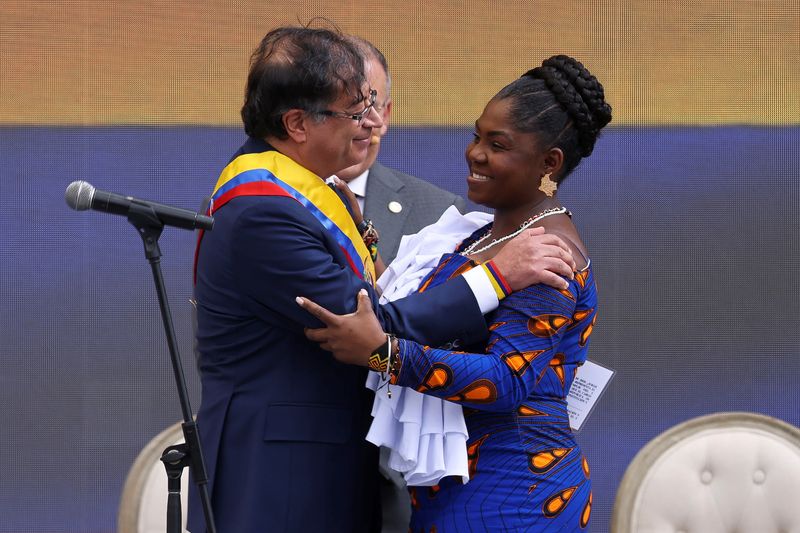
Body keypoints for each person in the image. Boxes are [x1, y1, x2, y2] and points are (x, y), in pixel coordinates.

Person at [188, 26, 578, 533]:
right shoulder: (265, 209)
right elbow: (373, 325)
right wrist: (495, 277)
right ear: (298, 123)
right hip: (280, 476)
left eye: (373, 105)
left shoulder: (304, 192)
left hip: (356, 464)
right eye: (354, 111)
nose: (369, 124)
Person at [298, 55, 612, 531]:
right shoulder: (486, 234)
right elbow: (430, 307)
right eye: (476, 136)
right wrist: (362, 233)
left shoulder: (550, 253)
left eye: (497, 145)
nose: (475, 153)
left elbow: (505, 381)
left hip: (516, 493)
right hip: (457, 487)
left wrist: (384, 355)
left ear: (549, 163)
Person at [334, 36, 466, 264]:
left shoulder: (440, 213)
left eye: (371, 107)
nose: (358, 122)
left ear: (384, 115)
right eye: (348, 108)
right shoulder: (267, 189)